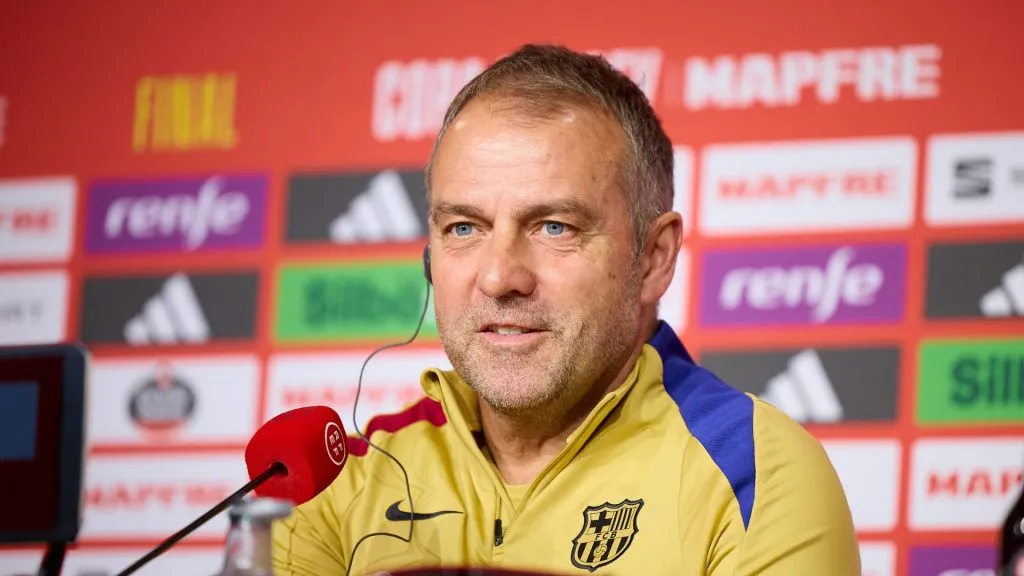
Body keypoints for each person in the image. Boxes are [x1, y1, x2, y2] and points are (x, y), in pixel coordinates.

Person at [271, 43, 860, 576]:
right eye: (464, 227)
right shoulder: (348, 482)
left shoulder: (753, 470)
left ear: (654, 258)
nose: (500, 277)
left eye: (555, 227)